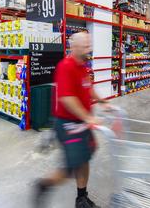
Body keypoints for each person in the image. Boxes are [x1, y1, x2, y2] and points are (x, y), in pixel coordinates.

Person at [33, 32, 108, 208]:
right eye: (85, 44)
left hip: (81, 123)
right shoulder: (65, 66)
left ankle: (81, 198)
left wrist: (103, 101)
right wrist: (89, 117)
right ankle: (43, 185)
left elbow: (88, 88)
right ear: (73, 46)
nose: (89, 47)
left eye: (89, 43)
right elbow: (67, 98)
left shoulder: (83, 66)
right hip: (68, 125)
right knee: (70, 168)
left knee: (85, 158)